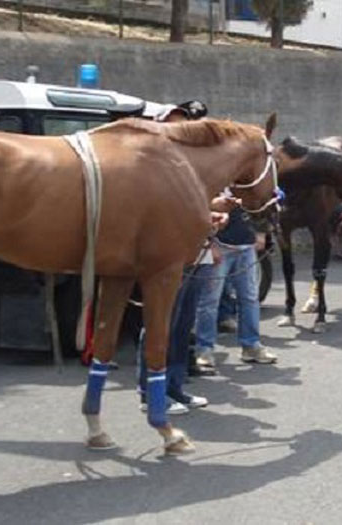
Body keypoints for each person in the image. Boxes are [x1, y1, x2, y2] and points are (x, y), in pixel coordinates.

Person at [137, 101, 221, 415]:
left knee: (183, 325)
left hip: (194, 254)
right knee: (160, 323)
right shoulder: (149, 166)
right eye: (171, 123)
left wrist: (211, 219)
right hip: (166, 256)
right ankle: (149, 391)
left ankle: (174, 387)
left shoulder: (186, 167)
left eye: (182, 124)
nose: (178, 130)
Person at [195, 194, 278, 368]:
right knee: (209, 301)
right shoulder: (215, 178)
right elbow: (198, 206)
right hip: (220, 244)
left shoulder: (247, 182)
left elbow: (265, 201)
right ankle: (204, 348)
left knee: (249, 298)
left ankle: (251, 345)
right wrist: (208, 243)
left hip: (246, 246)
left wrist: (261, 232)